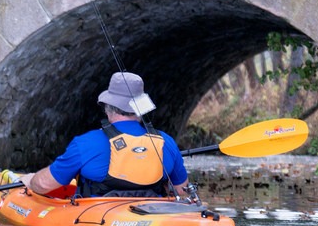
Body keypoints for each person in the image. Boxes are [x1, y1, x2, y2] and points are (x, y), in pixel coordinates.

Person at [21, 71, 201, 203]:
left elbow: (44, 185)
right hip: (152, 216)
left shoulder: (85, 144)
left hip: (97, 223)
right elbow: (182, 192)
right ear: (140, 108)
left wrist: (30, 180)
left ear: (108, 108)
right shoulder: (166, 142)